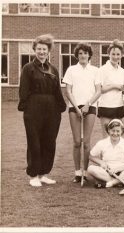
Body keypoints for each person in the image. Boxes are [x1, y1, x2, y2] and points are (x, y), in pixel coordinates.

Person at [18, 34, 66, 187]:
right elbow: (23, 90)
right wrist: (26, 107)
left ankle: (44, 173)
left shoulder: (53, 69)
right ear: (34, 50)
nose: (41, 52)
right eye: (39, 49)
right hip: (33, 108)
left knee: (49, 141)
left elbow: (57, 89)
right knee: (34, 141)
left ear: (49, 50)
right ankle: (33, 175)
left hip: (52, 109)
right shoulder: (28, 68)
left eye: (44, 49)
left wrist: (61, 106)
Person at [64, 43, 101, 183]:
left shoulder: (95, 70)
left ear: (89, 55)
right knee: (76, 142)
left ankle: (85, 172)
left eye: (85, 53)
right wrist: (77, 108)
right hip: (74, 107)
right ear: (77, 55)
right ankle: (77, 172)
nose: (83, 55)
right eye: (80, 53)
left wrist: (88, 105)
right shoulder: (71, 70)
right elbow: (68, 91)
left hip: (90, 107)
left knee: (86, 142)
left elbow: (98, 91)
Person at [87, 119, 124, 188]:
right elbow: (91, 156)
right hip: (107, 172)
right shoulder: (102, 143)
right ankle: (118, 182)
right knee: (90, 169)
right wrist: (101, 162)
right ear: (108, 130)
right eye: (113, 130)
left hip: (122, 172)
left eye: (118, 131)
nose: (115, 133)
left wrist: (119, 169)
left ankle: (112, 183)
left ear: (122, 131)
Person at [98, 39, 124, 137]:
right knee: (106, 138)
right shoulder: (102, 70)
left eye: (118, 54)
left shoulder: (122, 71)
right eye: (113, 54)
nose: (115, 57)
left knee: (117, 137)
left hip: (118, 106)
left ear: (121, 55)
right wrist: (114, 86)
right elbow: (99, 90)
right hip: (105, 107)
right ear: (108, 54)